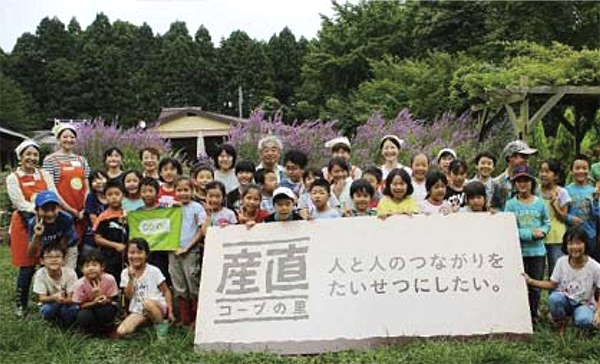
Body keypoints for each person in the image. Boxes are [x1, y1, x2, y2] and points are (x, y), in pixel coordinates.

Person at [6, 140, 57, 317]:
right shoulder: (13, 178)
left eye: (35, 154)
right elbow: (19, 202)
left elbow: (53, 194)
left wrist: (47, 213)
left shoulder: (44, 175)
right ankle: (21, 302)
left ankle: (49, 298)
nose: (32, 158)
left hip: (49, 221)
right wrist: (38, 212)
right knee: (27, 265)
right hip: (23, 222)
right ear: (20, 157)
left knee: (51, 261)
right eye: (28, 154)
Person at [523, 226, 600, 331]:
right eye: (570, 243)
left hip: (584, 304)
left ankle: (581, 326)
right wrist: (531, 281)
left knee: (584, 320)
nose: (574, 247)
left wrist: (598, 313)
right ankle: (560, 324)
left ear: (586, 244)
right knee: (554, 298)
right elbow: (552, 284)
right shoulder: (561, 262)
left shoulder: (595, 267)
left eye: (578, 243)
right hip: (565, 300)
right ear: (565, 245)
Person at [505, 165, 550, 322]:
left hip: (538, 252)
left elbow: (547, 222)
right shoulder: (510, 204)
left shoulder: (540, 203)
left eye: (526, 180)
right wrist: (530, 234)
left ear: (532, 182)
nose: (522, 184)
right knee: (518, 285)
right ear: (515, 184)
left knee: (535, 286)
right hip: (519, 252)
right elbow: (508, 229)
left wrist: (544, 231)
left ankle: (533, 315)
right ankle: (519, 317)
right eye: (519, 181)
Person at [116, 238, 175, 340]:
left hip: (157, 305)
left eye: (139, 253)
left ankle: (162, 333)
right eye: (132, 253)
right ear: (127, 254)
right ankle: (149, 324)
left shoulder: (154, 270)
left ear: (147, 254)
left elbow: (166, 291)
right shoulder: (125, 272)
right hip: (139, 310)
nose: (135, 256)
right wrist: (131, 278)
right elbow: (128, 296)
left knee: (147, 303)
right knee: (121, 332)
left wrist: (170, 311)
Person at [43, 123, 91, 246]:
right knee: (64, 244)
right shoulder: (50, 160)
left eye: (72, 137)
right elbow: (51, 188)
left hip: (81, 209)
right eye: (65, 137)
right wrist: (71, 210)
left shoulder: (81, 160)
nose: (69, 140)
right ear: (58, 139)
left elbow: (87, 186)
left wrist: (85, 208)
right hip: (61, 209)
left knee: (82, 244)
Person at [170, 177, 206, 327]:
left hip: (191, 251)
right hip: (173, 251)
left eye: (186, 190)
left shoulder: (197, 207)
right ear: (174, 191)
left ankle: (197, 319)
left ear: (192, 191)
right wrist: (172, 247)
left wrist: (188, 247)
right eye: (179, 190)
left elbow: (201, 230)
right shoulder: (171, 208)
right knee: (178, 284)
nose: (183, 193)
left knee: (193, 282)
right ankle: (184, 319)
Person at [28, 190, 78, 269]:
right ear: (36, 210)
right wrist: (37, 235)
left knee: (67, 271)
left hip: (67, 247)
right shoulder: (33, 223)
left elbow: (66, 241)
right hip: (46, 251)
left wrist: (58, 260)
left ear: (59, 208)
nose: (50, 214)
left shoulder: (66, 218)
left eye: (53, 209)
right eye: (45, 210)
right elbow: (31, 254)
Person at [73, 249, 119, 336]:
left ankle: (107, 330)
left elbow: (112, 299)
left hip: (104, 306)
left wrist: (104, 298)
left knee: (106, 310)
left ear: (102, 267)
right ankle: (89, 332)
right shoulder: (79, 284)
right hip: (87, 308)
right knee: (83, 315)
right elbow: (80, 305)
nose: (90, 268)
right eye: (86, 266)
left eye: (94, 265)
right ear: (81, 269)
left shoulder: (109, 279)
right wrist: (94, 302)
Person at [33, 243, 79, 327]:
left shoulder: (70, 273)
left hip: (67, 303)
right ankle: (52, 323)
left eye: (57, 257)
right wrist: (54, 297)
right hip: (50, 303)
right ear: (42, 261)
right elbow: (41, 298)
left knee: (73, 309)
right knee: (47, 310)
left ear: (63, 260)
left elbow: (71, 298)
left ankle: (67, 325)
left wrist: (63, 300)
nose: (54, 260)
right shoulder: (40, 273)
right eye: (49, 257)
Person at [538, 159, 571, 276]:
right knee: (538, 271)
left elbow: (563, 218)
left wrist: (554, 205)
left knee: (556, 272)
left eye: (547, 171)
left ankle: (555, 294)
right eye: (541, 171)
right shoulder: (535, 190)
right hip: (538, 236)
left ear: (556, 175)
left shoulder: (562, 192)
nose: (543, 174)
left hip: (556, 237)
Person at [93, 180, 128, 286]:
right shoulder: (103, 217)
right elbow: (97, 238)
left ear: (123, 196)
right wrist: (115, 245)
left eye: (117, 194)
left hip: (127, 256)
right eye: (110, 194)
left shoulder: (128, 214)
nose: (114, 197)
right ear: (105, 198)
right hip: (109, 257)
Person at [565, 154, 600, 261]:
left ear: (589, 170)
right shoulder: (566, 190)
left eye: (584, 168)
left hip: (591, 235)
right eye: (577, 168)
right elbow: (562, 214)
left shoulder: (594, 191)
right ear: (571, 170)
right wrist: (571, 219)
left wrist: (595, 201)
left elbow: (597, 215)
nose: (581, 171)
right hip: (572, 236)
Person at [138, 177, 170, 284]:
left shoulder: (165, 211)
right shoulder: (137, 213)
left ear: (157, 193)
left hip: (162, 253)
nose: (147, 194)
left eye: (150, 191)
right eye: (144, 191)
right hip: (144, 254)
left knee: (163, 279)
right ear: (139, 194)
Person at [491, 140, 538, 211]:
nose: (526, 160)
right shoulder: (497, 183)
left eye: (527, 157)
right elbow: (493, 207)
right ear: (510, 157)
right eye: (523, 156)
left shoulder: (532, 181)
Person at [81, 170, 108, 257]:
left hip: (110, 237)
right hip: (92, 237)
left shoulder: (112, 195)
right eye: (94, 180)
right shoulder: (91, 197)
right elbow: (93, 219)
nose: (98, 182)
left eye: (101, 178)